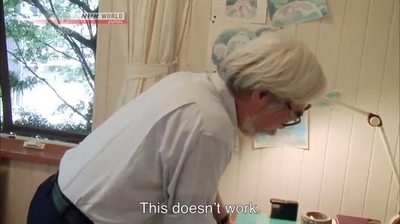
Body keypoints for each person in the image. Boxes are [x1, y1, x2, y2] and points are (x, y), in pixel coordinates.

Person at [27, 32, 326, 224]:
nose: (282, 127)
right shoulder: (212, 127)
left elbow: (191, 179)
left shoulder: (190, 84)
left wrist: (221, 216)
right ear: (262, 96)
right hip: (72, 218)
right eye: (293, 113)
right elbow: (184, 218)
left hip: (53, 198)